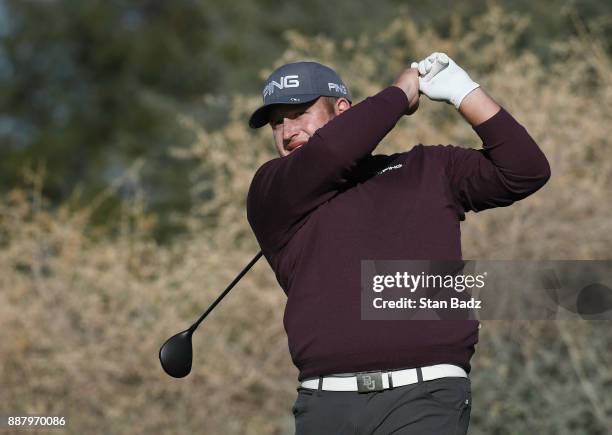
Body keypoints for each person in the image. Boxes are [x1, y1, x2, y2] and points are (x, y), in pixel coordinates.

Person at [246, 53, 550, 434]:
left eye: (300, 113)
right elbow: (332, 153)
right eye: (277, 123)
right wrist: (400, 94)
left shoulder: (428, 169)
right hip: (325, 406)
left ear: (342, 110)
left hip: (425, 396)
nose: (288, 131)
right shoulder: (271, 190)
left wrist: (464, 92)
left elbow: (525, 170)